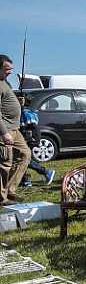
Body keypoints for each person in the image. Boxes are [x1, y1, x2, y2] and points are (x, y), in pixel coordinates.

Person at [0, 55, 30, 203]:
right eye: (7, 69)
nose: (10, 72)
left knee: (25, 154)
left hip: (14, 129)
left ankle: (9, 191)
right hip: (5, 130)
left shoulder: (5, 82)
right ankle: (1, 198)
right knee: (6, 163)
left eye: (11, 69)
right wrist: (4, 132)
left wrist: (17, 102)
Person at [18, 96, 55, 187]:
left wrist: (34, 140)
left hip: (28, 139)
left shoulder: (26, 113)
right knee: (22, 159)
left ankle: (46, 172)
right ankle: (25, 180)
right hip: (24, 139)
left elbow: (34, 128)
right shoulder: (24, 111)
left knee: (24, 159)